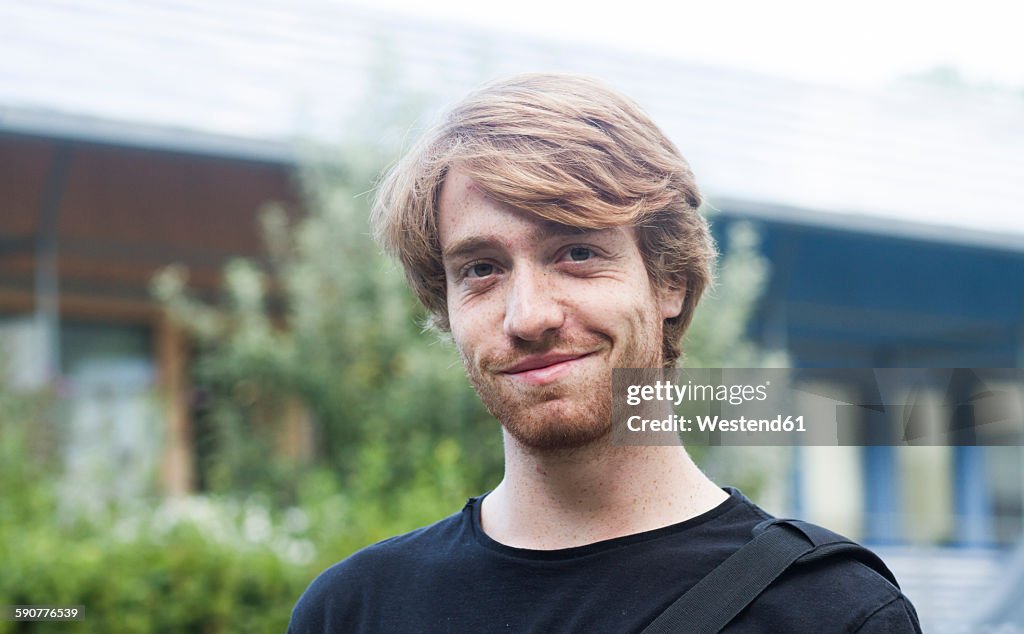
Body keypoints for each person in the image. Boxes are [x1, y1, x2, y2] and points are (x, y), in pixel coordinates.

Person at [287, 73, 921, 633]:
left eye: (577, 253)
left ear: (669, 278)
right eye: (481, 268)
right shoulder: (354, 611)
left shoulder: (829, 612)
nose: (528, 315)